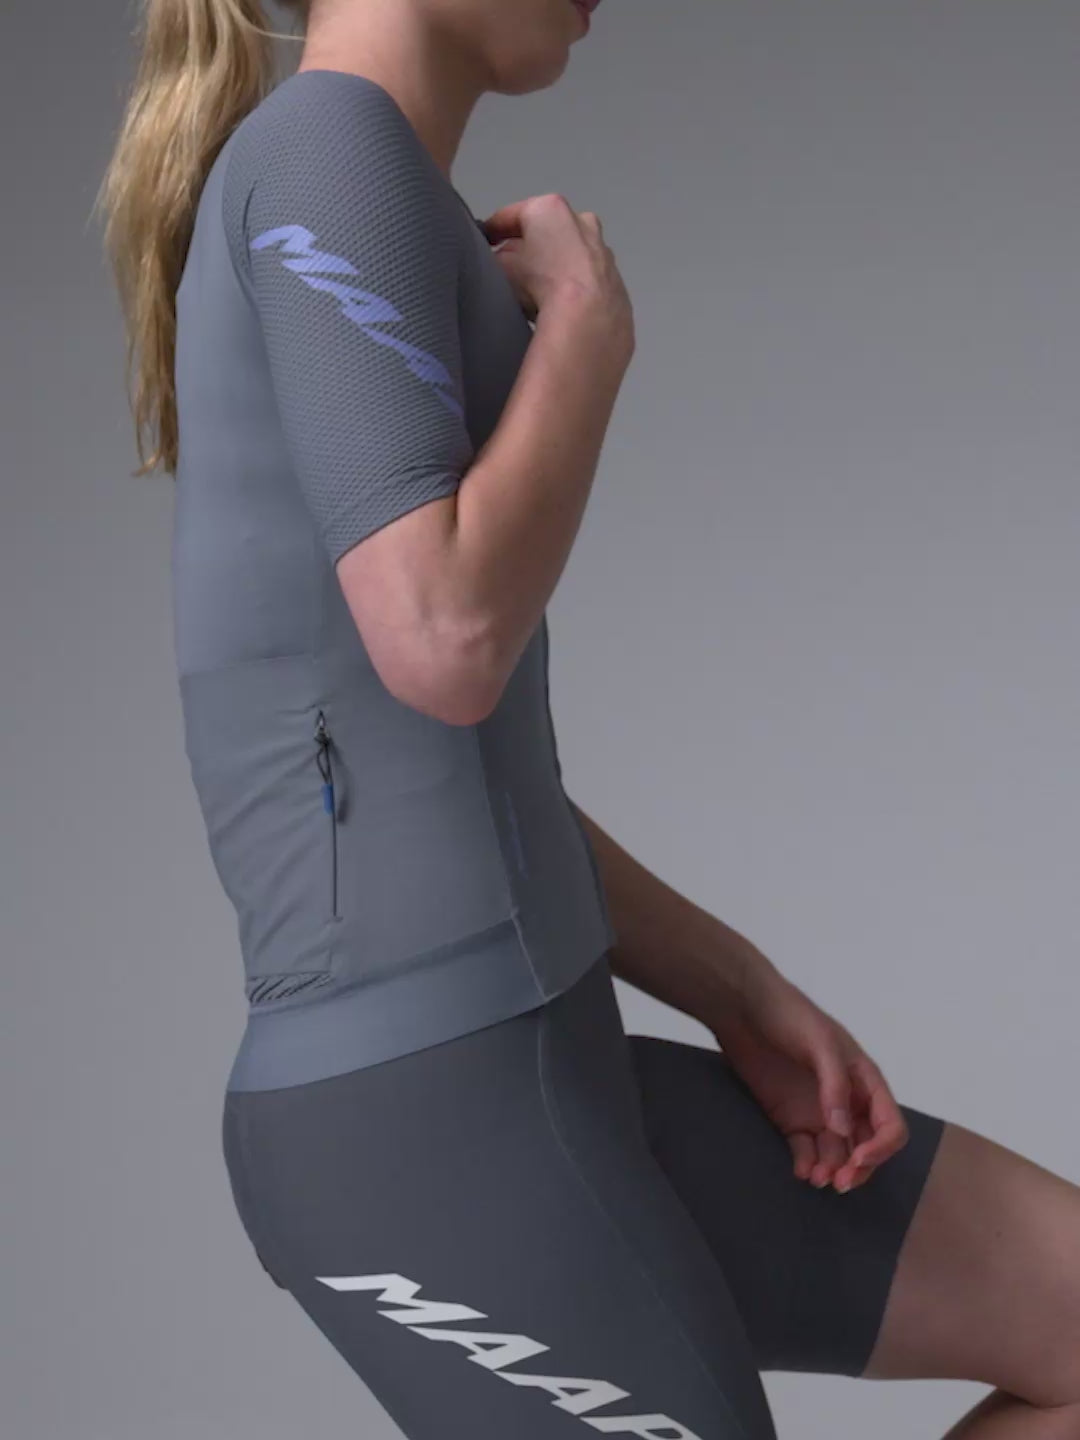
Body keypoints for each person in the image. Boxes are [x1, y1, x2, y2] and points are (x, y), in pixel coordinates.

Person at [96, 2, 1080, 1436]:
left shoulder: (364, 176)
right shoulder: (325, 150)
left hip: (542, 1057)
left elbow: (448, 773)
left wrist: (735, 988)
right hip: (427, 1115)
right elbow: (443, 640)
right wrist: (589, 341)